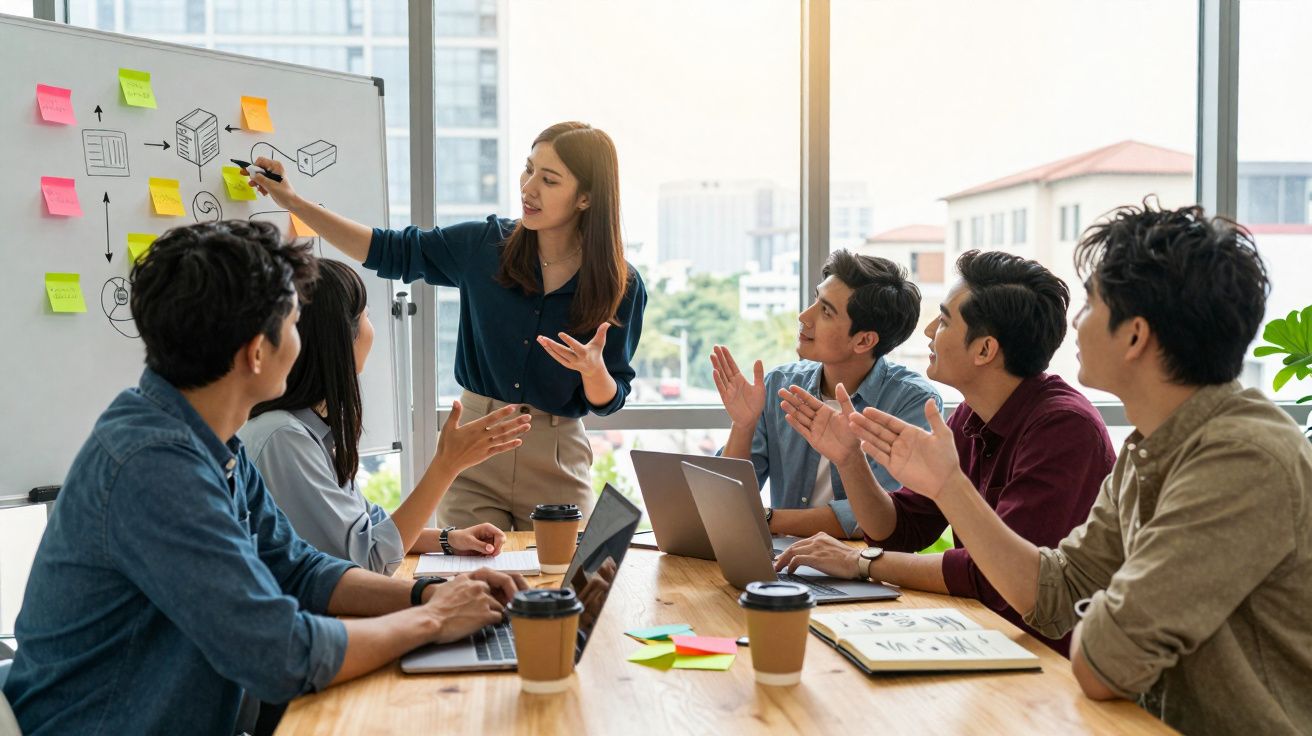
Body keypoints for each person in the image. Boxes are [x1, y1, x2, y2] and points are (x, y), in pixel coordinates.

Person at [1, 222, 525, 736]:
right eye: (295, 324)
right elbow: (280, 652)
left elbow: (298, 569)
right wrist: (432, 620)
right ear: (256, 352)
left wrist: (431, 593)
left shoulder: (205, 438)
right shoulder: (154, 467)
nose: (302, 342)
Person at [851, 203, 1312, 734]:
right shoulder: (1151, 449)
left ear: (1135, 336)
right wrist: (949, 486)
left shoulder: (1242, 458)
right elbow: (1056, 592)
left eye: (1091, 303)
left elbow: (1104, 661)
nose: (1075, 320)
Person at [242, 121, 646, 530]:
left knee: (565, 582)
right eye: (528, 170)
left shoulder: (620, 285)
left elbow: (609, 398)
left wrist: (594, 372)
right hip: (475, 446)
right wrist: (294, 203)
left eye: (550, 179)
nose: (528, 188)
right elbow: (388, 249)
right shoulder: (484, 246)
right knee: (468, 579)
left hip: (557, 455)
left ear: (585, 198)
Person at [776, 249, 1114, 655]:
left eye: (945, 320)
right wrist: (850, 460)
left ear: (985, 350)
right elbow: (900, 530)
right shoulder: (971, 413)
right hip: (986, 637)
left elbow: (993, 574)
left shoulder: (1064, 429)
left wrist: (860, 563)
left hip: (1047, 663)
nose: (929, 331)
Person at [240, 260, 533, 575]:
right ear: (338, 339)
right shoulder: (284, 439)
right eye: (367, 316)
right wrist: (446, 466)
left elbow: (371, 527)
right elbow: (368, 562)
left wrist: (448, 539)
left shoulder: (310, 429)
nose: (371, 328)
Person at [711, 250, 939, 539]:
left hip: (864, 567)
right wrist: (742, 426)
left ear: (864, 340)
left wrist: (766, 519)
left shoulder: (912, 403)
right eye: (815, 300)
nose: (804, 316)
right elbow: (726, 498)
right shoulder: (779, 384)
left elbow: (881, 516)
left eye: (826, 311)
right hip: (782, 565)